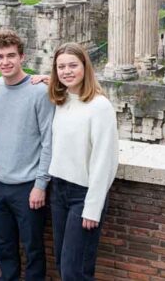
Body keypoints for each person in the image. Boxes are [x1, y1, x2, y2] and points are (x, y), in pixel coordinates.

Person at [0, 29, 54, 280]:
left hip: (28, 186)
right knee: (3, 246)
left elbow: (49, 142)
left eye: (11, 55)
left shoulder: (39, 92)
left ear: (22, 57)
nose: (5, 62)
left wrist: (40, 184)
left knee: (33, 247)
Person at [48, 42, 119, 280]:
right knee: (62, 261)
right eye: (61, 67)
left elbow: (104, 160)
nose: (66, 71)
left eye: (72, 65)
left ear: (85, 67)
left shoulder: (100, 106)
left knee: (74, 269)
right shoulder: (62, 101)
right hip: (58, 190)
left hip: (83, 194)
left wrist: (93, 207)